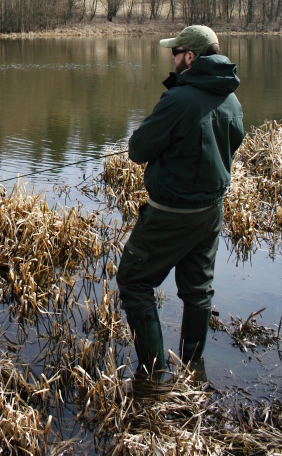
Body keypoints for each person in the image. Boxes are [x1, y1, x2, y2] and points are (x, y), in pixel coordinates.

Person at [116, 25, 244, 375]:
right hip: (210, 214)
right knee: (198, 289)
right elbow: (235, 141)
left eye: (176, 52)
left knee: (133, 280)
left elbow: (138, 149)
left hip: (171, 215)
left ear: (190, 57)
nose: (171, 58)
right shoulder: (230, 98)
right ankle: (193, 368)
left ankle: (154, 374)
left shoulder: (177, 100)